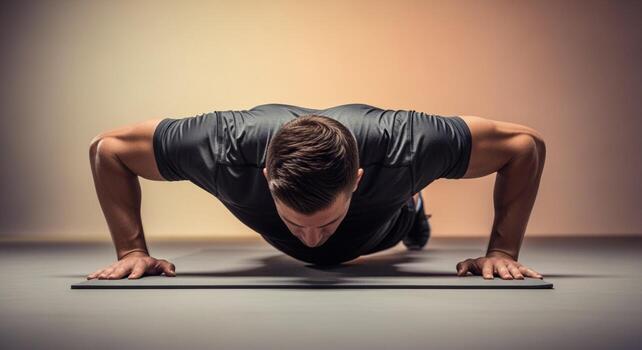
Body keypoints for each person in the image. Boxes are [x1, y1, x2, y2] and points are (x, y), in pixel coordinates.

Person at [86, 103, 546, 281]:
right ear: (267, 178)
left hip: (382, 219)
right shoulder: (222, 147)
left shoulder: (405, 146)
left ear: (358, 180)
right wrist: (132, 251)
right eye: (296, 223)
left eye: (324, 222)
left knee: (398, 213)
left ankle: (414, 206)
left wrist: (502, 249)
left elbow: (524, 146)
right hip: (264, 207)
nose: (310, 240)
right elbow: (109, 150)